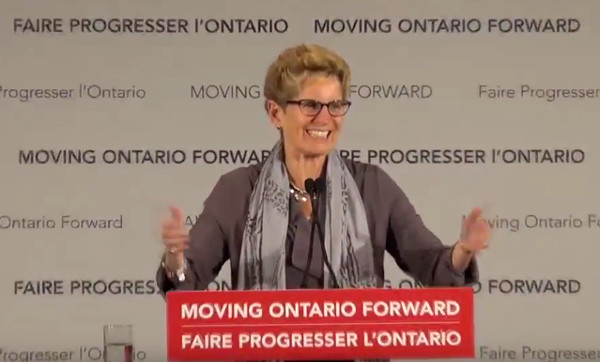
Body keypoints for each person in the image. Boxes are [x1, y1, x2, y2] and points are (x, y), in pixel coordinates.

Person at [156, 43, 488, 295]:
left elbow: (434, 268)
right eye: (311, 105)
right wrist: (175, 258)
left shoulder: (372, 186)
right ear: (275, 113)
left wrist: (463, 251)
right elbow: (187, 283)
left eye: (336, 104)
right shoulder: (237, 190)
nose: (325, 118)